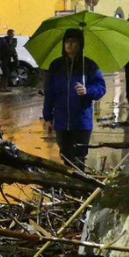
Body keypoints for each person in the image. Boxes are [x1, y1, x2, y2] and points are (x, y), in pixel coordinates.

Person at [42, 28, 106, 169]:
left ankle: (79, 188)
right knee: (65, 156)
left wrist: (87, 90)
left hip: (82, 122)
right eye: (67, 41)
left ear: (80, 44)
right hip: (62, 122)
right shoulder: (56, 66)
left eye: (74, 41)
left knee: (79, 158)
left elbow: (101, 88)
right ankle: (71, 187)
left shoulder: (88, 65)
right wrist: (47, 118)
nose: (69, 44)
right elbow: (49, 93)